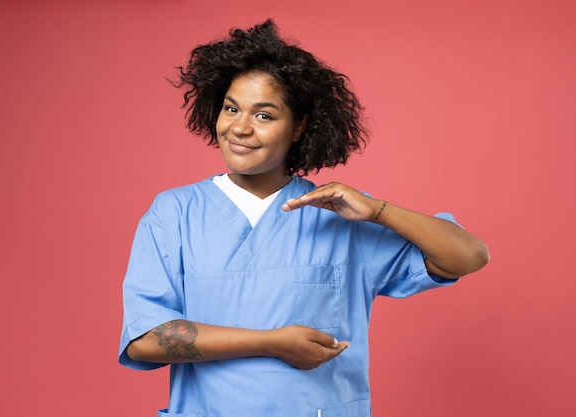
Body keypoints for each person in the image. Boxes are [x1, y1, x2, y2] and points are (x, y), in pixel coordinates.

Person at [118, 19, 489, 417]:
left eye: (264, 116)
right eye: (231, 109)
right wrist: (270, 342)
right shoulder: (174, 213)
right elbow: (144, 338)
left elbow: (469, 256)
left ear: (299, 128)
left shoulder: (339, 213)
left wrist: (378, 210)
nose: (240, 128)